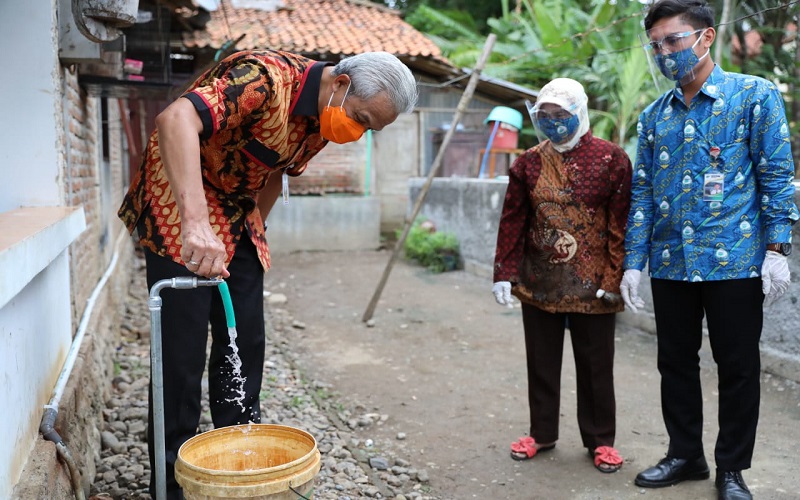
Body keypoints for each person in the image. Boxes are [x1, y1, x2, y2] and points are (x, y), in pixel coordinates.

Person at [117, 49, 418, 499]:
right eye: (361, 118)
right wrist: (196, 223)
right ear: (340, 84)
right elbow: (175, 119)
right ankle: (172, 483)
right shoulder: (262, 78)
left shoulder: (323, 120)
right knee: (180, 354)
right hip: (182, 202)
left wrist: (251, 234)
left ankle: (238, 464)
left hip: (239, 211)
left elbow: (275, 173)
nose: (357, 133)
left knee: (244, 342)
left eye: (370, 129)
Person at [621, 1, 798, 499]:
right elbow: (643, 193)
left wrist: (777, 248)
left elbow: (777, 177)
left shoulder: (753, 97)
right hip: (672, 262)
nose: (663, 53)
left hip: (737, 259)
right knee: (674, 362)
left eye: (672, 40)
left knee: (737, 366)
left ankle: (731, 469)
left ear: (705, 37)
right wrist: (634, 262)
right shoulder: (654, 116)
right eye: (655, 45)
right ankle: (685, 455)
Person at [492, 78, 632, 473]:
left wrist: (614, 279)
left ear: (580, 113)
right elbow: (513, 220)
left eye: (562, 116)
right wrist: (504, 271)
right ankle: (542, 433)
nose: (554, 124)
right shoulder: (528, 163)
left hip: (594, 286)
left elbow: (621, 224)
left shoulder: (612, 160)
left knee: (596, 367)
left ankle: (601, 440)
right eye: (546, 117)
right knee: (541, 361)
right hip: (539, 282)